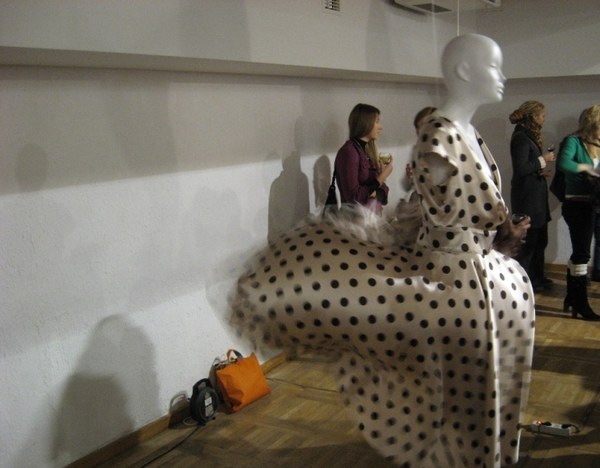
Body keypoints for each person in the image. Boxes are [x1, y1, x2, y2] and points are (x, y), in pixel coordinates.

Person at [231, 34, 533, 466]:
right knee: (461, 395)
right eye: (493, 66)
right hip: (454, 282)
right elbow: (434, 208)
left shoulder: (470, 133)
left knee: (485, 388)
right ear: (464, 71)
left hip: (478, 275)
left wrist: (497, 235)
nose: (503, 76)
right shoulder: (438, 136)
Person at [556, 104, 600, 320]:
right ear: (592, 124)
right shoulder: (573, 141)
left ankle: (572, 297)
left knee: (581, 252)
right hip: (577, 204)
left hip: (594, 203)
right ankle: (580, 302)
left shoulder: (597, 144)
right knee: (582, 253)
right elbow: (564, 164)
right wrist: (584, 168)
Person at [508, 101, 555, 292]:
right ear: (534, 117)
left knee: (540, 240)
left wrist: (539, 170)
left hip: (534, 195)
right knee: (530, 242)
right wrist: (544, 159)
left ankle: (537, 277)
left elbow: (528, 167)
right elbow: (521, 168)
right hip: (527, 198)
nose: (544, 118)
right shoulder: (520, 137)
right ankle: (524, 282)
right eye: (542, 115)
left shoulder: (527, 135)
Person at [334, 103, 393, 215]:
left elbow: (384, 195)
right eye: (377, 121)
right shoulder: (349, 152)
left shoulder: (368, 151)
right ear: (366, 123)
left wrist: (374, 192)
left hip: (371, 219)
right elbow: (354, 197)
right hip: (354, 222)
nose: (380, 127)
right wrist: (382, 177)